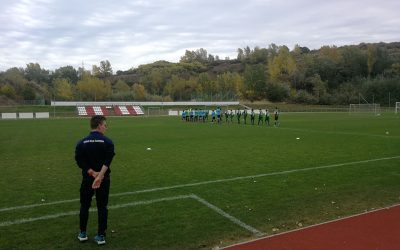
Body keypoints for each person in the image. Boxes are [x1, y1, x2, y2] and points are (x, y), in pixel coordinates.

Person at [75, 115, 115, 245]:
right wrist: (100, 176)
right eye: (104, 125)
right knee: (102, 207)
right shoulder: (108, 142)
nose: (105, 127)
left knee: (84, 206)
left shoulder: (81, 142)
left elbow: (79, 160)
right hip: (103, 179)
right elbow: (107, 161)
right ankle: (101, 236)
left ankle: (82, 233)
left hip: (88, 179)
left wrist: (92, 173)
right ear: (99, 125)